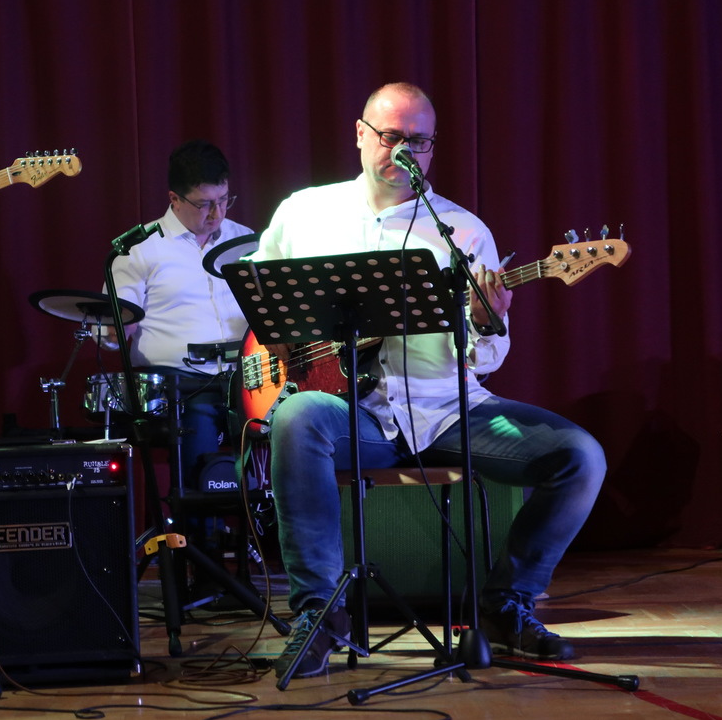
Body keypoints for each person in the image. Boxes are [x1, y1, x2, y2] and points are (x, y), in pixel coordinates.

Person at [250, 82, 606, 679]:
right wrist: (285, 345)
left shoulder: (462, 232)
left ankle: (505, 605)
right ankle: (320, 613)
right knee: (296, 416)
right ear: (360, 134)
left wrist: (487, 320)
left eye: (419, 141)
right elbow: (260, 296)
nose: (404, 151)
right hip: (354, 414)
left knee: (580, 457)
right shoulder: (304, 212)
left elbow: (486, 358)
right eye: (392, 137)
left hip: (446, 410)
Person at [107, 139, 252, 485]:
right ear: (174, 199)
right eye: (204, 205)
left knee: (289, 423)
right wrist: (115, 329)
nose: (217, 214)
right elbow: (113, 331)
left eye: (223, 200)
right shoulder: (140, 250)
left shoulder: (245, 240)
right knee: (197, 431)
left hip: (246, 378)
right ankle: (198, 517)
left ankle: (266, 516)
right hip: (180, 385)